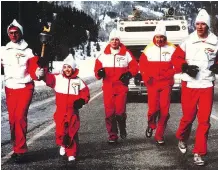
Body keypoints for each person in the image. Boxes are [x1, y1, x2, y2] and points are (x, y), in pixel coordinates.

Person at [171, 9, 218, 166]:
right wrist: (185, 67)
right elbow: (175, 58)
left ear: (208, 26)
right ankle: (182, 137)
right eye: (197, 23)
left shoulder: (215, 41)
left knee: (204, 121)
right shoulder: (188, 40)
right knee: (188, 117)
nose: (199, 26)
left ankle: (199, 152)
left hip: (206, 84)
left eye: (203, 24)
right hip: (190, 84)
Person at [0, 19, 44, 162]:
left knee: (19, 117)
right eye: (11, 33)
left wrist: (38, 72)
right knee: (12, 120)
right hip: (10, 87)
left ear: (20, 34)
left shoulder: (28, 51)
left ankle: (21, 150)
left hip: (25, 87)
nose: (13, 35)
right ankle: (16, 147)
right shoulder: (3, 50)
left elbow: (33, 71)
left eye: (16, 32)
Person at [41, 54, 90, 162]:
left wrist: (81, 100)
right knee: (60, 131)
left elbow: (85, 93)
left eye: (69, 67)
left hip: (72, 111)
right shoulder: (57, 78)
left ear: (73, 68)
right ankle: (63, 144)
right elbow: (46, 77)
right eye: (65, 67)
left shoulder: (78, 81)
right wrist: (42, 68)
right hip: (61, 111)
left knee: (72, 132)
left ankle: (71, 153)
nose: (67, 69)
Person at [94, 29, 138, 144]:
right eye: (112, 39)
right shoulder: (103, 55)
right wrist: (100, 73)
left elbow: (134, 66)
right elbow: (97, 69)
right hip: (108, 88)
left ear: (119, 41)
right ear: (109, 41)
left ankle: (122, 126)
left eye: (116, 39)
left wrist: (129, 74)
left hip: (121, 88)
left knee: (120, 112)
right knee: (109, 114)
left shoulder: (126, 53)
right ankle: (112, 135)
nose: (114, 41)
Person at [139, 24, 176, 145]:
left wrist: (168, 74)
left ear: (165, 37)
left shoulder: (172, 49)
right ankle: (151, 124)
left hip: (166, 84)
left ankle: (159, 135)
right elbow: (142, 66)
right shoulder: (148, 49)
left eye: (162, 37)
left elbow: (177, 65)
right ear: (154, 37)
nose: (159, 39)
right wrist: (146, 77)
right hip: (153, 84)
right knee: (153, 110)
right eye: (157, 37)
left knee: (165, 112)